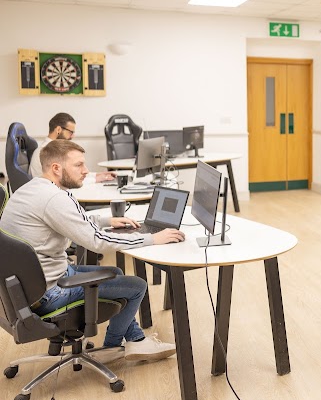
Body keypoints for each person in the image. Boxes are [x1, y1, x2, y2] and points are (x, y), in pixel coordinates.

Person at [0, 140, 185, 362]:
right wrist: (152, 238)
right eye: (78, 165)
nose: (86, 170)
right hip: (48, 293)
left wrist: (106, 220)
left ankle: (135, 340)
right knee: (137, 286)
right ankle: (112, 347)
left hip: (26, 289)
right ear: (56, 168)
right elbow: (96, 241)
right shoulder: (53, 199)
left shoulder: (33, 189)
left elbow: (70, 220)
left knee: (115, 273)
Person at [28, 112, 116, 182]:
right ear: (58, 129)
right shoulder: (46, 151)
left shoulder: (55, 149)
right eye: (71, 132)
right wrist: (95, 179)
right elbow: (66, 180)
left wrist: (97, 175)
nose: (72, 136)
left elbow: (72, 173)